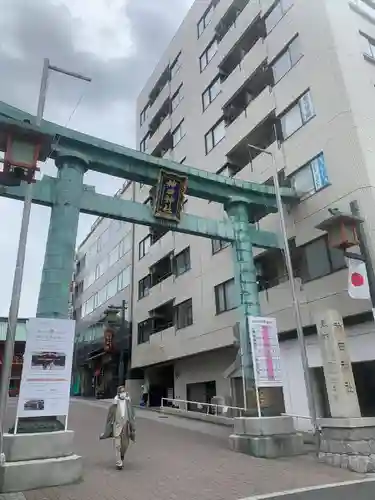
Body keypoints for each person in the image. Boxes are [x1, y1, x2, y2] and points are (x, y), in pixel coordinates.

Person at [100, 385, 136, 470]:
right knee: (117, 445)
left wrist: (133, 426)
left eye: (124, 391)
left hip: (126, 426)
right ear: (118, 393)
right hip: (117, 427)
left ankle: (122, 454)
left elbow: (132, 415)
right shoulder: (114, 404)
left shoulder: (128, 403)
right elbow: (109, 417)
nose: (123, 393)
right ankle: (118, 463)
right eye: (121, 392)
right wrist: (108, 428)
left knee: (125, 445)